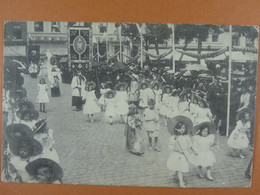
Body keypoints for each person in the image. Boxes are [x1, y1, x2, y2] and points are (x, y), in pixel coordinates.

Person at [167, 116, 195, 187]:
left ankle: (176, 176)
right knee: (180, 168)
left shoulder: (186, 137)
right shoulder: (174, 137)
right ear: (176, 129)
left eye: (183, 128)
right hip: (177, 154)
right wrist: (174, 142)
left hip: (184, 154)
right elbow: (170, 147)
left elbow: (190, 145)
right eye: (180, 128)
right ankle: (181, 182)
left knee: (179, 167)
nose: (182, 129)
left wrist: (194, 151)